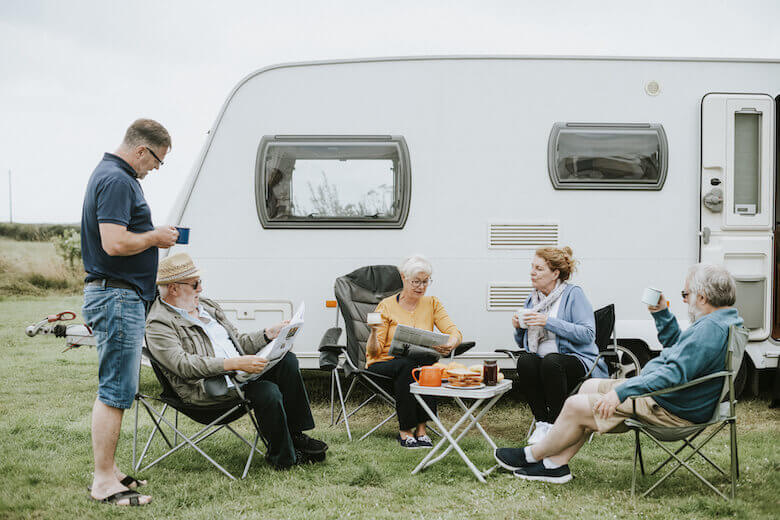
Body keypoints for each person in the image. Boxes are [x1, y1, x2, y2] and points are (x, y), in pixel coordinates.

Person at [495, 264, 743, 484]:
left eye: (685, 294)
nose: (685, 300)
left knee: (575, 405)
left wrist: (622, 392)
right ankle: (554, 465)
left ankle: (532, 455)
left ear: (702, 297)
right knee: (588, 387)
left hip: (671, 408)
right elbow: (679, 348)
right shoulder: (722, 322)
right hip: (677, 398)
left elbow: (674, 373)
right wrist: (661, 313)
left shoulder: (710, 329)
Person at [145, 253, 327, 470]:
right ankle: (284, 459)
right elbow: (184, 366)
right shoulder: (159, 323)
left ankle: (295, 435)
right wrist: (234, 364)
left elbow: (238, 342)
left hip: (237, 374)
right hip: (208, 389)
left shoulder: (207, 306)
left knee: (286, 360)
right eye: (195, 284)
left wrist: (268, 334)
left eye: (200, 282)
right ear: (174, 289)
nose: (201, 289)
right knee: (266, 391)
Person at [81, 119, 178, 506]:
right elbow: (115, 243)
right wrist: (156, 236)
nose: (154, 168)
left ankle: (111, 469)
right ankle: (104, 481)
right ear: (141, 150)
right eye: (156, 160)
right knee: (116, 390)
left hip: (119, 295)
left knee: (117, 387)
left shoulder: (111, 175)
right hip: (117, 297)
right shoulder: (119, 180)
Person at [512, 246, 607, 445]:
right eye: (532, 267)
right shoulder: (533, 298)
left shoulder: (573, 294)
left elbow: (588, 334)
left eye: (539, 268)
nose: (532, 272)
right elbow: (523, 343)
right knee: (526, 361)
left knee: (551, 362)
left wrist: (548, 321)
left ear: (555, 273)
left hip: (577, 359)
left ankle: (557, 426)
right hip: (544, 359)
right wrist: (519, 327)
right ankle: (542, 424)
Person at [365, 255, 462, 448]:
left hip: (415, 362)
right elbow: (374, 353)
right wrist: (374, 331)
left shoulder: (432, 303)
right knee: (408, 365)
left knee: (428, 366)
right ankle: (405, 430)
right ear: (403, 278)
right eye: (416, 282)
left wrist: (451, 343)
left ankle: (422, 429)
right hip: (383, 362)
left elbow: (454, 331)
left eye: (425, 282)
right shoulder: (386, 305)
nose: (421, 287)